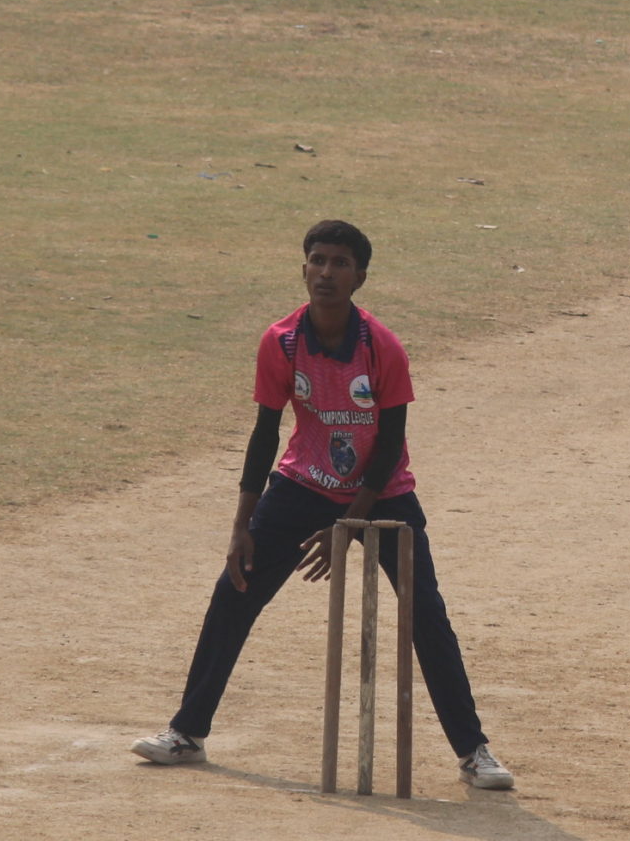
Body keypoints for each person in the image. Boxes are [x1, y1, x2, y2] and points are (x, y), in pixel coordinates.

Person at [134, 219, 514, 789]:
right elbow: (265, 433)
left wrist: (350, 523)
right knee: (233, 590)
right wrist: (242, 525)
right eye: (317, 260)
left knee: (426, 617)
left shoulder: (381, 347)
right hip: (303, 485)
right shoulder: (281, 341)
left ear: (360, 277)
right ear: (303, 268)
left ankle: (474, 752)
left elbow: (388, 445)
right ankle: (187, 732)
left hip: (384, 494)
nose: (326, 272)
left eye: (340, 263)